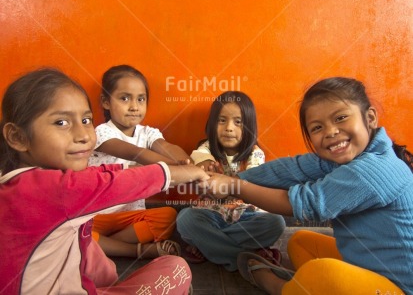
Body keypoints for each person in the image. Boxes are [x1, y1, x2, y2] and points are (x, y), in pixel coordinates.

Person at [0, 67, 208, 294]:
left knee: (95, 248)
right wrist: (190, 173)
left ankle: (114, 251)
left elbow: (116, 171)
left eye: (86, 119)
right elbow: (120, 177)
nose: (83, 135)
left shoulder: (19, 183)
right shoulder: (53, 188)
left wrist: (186, 164)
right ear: (18, 137)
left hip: (95, 234)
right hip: (101, 221)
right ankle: (133, 251)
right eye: (61, 123)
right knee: (177, 269)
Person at [202, 77, 413, 294]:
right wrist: (237, 178)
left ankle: (278, 287)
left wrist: (236, 187)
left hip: (397, 287)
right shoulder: (344, 158)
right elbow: (291, 169)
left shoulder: (373, 170)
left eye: (341, 118)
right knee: (300, 242)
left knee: (323, 272)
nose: (331, 132)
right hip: (365, 265)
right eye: (317, 127)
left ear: (369, 117)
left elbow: (304, 203)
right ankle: (306, 286)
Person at [89, 65, 192, 260]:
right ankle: (137, 251)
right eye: (124, 98)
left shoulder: (147, 133)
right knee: (70, 231)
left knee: (168, 217)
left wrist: (184, 161)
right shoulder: (101, 133)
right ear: (106, 102)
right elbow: (136, 153)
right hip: (95, 217)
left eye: (141, 99)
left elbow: (166, 147)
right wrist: (182, 169)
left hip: (129, 219)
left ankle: (103, 246)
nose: (134, 106)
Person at [176, 91, 286, 271]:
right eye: (222, 120)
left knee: (276, 223)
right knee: (185, 220)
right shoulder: (205, 149)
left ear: (249, 127)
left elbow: (252, 186)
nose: (229, 128)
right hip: (211, 215)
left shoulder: (255, 154)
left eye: (238, 122)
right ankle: (248, 257)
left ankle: (208, 245)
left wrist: (227, 184)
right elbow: (199, 157)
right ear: (212, 124)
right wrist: (204, 163)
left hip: (245, 216)